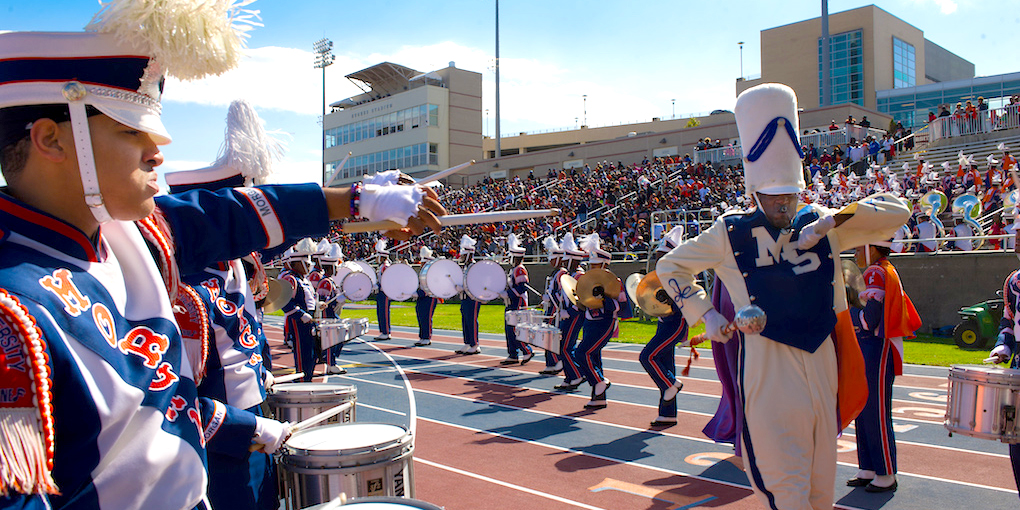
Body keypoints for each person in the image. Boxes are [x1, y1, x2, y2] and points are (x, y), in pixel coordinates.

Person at [0, 8, 445, 508]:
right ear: (51, 138)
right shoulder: (11, 312)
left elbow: (220, 217)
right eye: (131, 131)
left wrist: (353, 199)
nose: (156, 153)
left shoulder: (129, 238)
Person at [655, 83, 909, 510]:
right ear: (755, 191)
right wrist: (706, 314)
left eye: (789, 193)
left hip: (823, 363)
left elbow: (897, 210)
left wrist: (831, 221)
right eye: (773, 195)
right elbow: (670, 267)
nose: (783, 203)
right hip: (768, 365)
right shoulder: (728, 230)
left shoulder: (822, 222)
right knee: (783, 489)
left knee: (819, 490)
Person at [163, 99, 291, 509]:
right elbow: (170, 400)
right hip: (219, 448)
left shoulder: (234, 262)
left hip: (253, 428)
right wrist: (245, 426)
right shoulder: (187, 290)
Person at [848, 239, 921, 493]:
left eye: (859, 248)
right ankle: (868, 467)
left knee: (876, 411)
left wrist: (847, 309)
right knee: (864, 408)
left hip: (875, 348)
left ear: (873, 248)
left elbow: (870, 319)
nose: (856, 253)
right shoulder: (880, 269)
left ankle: (885, 471)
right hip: (871, 347)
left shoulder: (875, 272)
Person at [639, 225, 689, 426]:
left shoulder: (680, 275)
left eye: (662, 255)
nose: (658, 259)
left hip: (675, 324)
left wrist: (669, 298)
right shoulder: (665, 275)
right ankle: (668, 413)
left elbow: (685, 303)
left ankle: (671, 384)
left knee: (647, 356)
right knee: (665, 364)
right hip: (664, 324)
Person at [573, 234, 621, 408]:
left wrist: (603, 298)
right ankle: (599, 397)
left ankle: (599, 381)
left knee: (581, 353)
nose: (591, 267)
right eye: (590, 264)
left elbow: (620, 307)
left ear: (603, 265)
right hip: (589, 322)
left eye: (595, 264)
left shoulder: (614, 282)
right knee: (594, 357)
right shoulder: (588, 281)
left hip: (604, 323)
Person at [989, 228, 1020, 501]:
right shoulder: (1014, 281)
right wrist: (1003, 346)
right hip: (1018, 366)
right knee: (1015, 439)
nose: (1017, 239)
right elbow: (1008, 322)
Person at [280, 239, 320, 382]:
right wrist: (301, 315)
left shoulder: (304, 279)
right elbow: (284, 302)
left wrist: (317, 305)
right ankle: (303, 380)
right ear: (297, 263)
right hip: (299, 322)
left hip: (310, 319)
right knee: (303, 352)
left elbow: (309, 299)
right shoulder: (290, 279)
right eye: (307, 264)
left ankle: (307, 377)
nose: (309, 267)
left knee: (313, 352)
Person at [551, 233, 586, 391]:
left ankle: (577, 374)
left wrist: (570, 312)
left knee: (566, 346)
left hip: (575, 315)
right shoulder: (570, 275)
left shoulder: (579, 275)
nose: (563, 262)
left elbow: (581, 299)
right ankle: (569, 376)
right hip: (567, 314)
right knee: (562, 345)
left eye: (566, 259)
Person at [501, 233, 534, 365]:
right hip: (511, 302)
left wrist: (508, 294)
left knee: (515, 329)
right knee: (509, 329)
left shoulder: (519, 270)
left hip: (518, 302)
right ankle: (513, 354)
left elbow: (522, 288)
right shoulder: (514, 269)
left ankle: (527, 350)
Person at [539, 236, 565, 374]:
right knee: (548, 336)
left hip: (556, 310)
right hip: (550, 309)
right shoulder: (556, 272)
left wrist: (549, 297)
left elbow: (561, 293)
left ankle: (556, 361)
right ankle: (550, 362)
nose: (550, 260)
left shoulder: (561, 273)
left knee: (553, 336)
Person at [455, 235, 482, 355]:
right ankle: (467, 342)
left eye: (463, 255)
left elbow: (475, 284)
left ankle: (475, 344)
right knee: (465, 320)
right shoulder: (465, 267)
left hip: (472, 298)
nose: (461, 257)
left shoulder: (474, 267)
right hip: (465, 298)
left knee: (471, 320)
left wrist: (464, 288)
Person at [414, 246, 440, 346]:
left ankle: (427, 337)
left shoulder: (432, 273)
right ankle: (422, 336)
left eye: (423, 262)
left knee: (426, 317)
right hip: (422, 297)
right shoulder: (422, 272)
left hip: (429, 297)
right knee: (420, 316)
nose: (421, 264)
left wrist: (419, 293)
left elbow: (430, 287)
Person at [374, 239, 393, 340]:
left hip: (385, 292)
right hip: (381, 291)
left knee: (384, 312)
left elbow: (387, 280)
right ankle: (383, 331)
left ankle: (386, 332)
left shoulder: (385, 266)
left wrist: (380, 286)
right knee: (380, 312)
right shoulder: (382, 266)